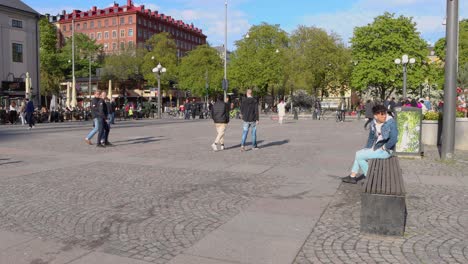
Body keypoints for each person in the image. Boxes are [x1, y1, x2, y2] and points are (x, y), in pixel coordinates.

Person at [342, 105, 398, 184]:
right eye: (382, 114)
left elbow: (394, 139)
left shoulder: (390, 123)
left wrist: (385, 147)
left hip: (386, 151)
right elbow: (371, 137)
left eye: (385, 113)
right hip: (376, 147)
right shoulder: (373, 123)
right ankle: (352, 176)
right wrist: (367, 148)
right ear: (375, 116)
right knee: (360, 154)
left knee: (359, 155)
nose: (384, 116)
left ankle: (371, 177)